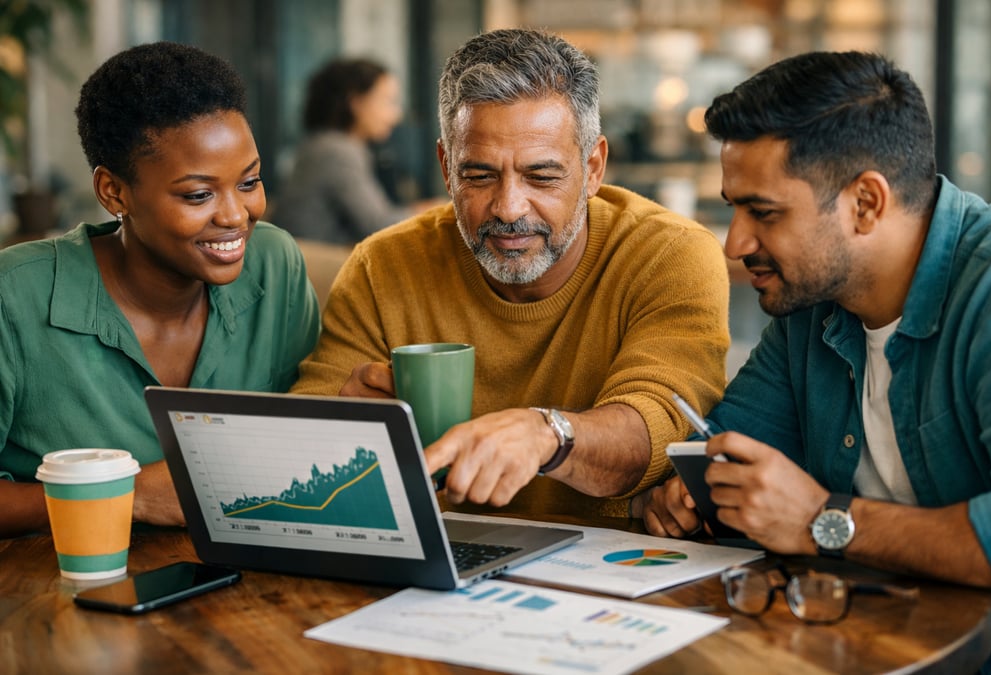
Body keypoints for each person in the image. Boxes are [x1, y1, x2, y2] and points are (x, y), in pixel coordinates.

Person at [634, 51, 991, 670]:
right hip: (848, 644)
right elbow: (732, 454)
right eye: (733, 207)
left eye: (764, 212)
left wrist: (823, 520)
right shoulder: (810, 303)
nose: (735, 243)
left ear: (865, 202)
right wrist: (694, 498)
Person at [291, 28, 730, 518]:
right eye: (478, 176)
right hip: (436, 561)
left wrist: (549, 435)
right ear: (445, 167)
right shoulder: (382, 265)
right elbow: (306, 444)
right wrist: (344, 430)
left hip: (607, 571)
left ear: (594, 168)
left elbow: (654, 429)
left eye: (542, 176)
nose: (507, 207)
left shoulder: (668, 254)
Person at [0, 42, 321, 538]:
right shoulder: (15, 296)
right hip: (57, 594)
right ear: (114, 192)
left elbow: (301, 435)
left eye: (250, 181)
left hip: (249, 584)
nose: (236, 216)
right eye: (198, 194)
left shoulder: (273, 265)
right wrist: (126, 496)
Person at [271, 57, 442, 244]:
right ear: (356, 103)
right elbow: (378, 224)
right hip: (318, 260)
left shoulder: (325, 144)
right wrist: (437, 211)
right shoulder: (336, 151)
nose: (396, 115)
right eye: (388, 101)